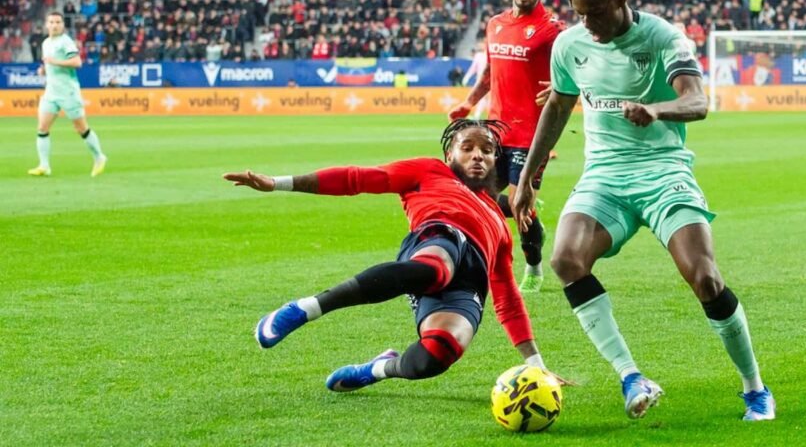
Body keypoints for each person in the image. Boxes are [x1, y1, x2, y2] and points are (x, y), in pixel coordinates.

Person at [511, 0, 775, 421]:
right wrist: (526, 180)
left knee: (705, 278)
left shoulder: (662, 37)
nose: (587, 23)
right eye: (579, 13)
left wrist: (656, 109)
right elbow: (559, 107)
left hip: (662, 171)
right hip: (604, 176)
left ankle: (755, 388)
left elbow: (697, 101)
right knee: (566, 260)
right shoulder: (570, 44)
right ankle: (631, 376)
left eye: (595, 12)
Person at [224, 120, 558, 392]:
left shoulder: (500, 222)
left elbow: (507, 298)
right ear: (449, 154)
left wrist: (536, 365)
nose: (477, 156)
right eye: (467, 147)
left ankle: (378, 368)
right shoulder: (430, 171)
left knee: (437, 355)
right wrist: (277, 183)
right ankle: (305, 308)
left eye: (486, 150)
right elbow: (355, 179)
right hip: (440, 236)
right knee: (437, 268)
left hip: (470, 279)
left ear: (496, 160)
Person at [449, 0, 564, 293]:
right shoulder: (495, 24)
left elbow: (582, 64)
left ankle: (534, 267)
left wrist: (562, 85)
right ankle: (479, 257)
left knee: (517, 203)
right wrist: (469, 102)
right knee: (473, 195)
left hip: (532, 135)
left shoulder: (553, 30)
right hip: (494, 132)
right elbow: (490, 71)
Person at [29, 12, 106, 177]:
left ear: (62, 25)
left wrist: (55, 62)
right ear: (47, 25)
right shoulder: (46, 43)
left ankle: (99, 157)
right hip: (51, 91)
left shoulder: (66, 42)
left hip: (68, 91)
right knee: (42, 128)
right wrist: (43, 70)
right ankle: (44, 166)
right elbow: (48, 63)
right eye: (51, 22)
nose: (54, 25)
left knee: (81, 128)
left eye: (58, 22)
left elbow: (77, 62)